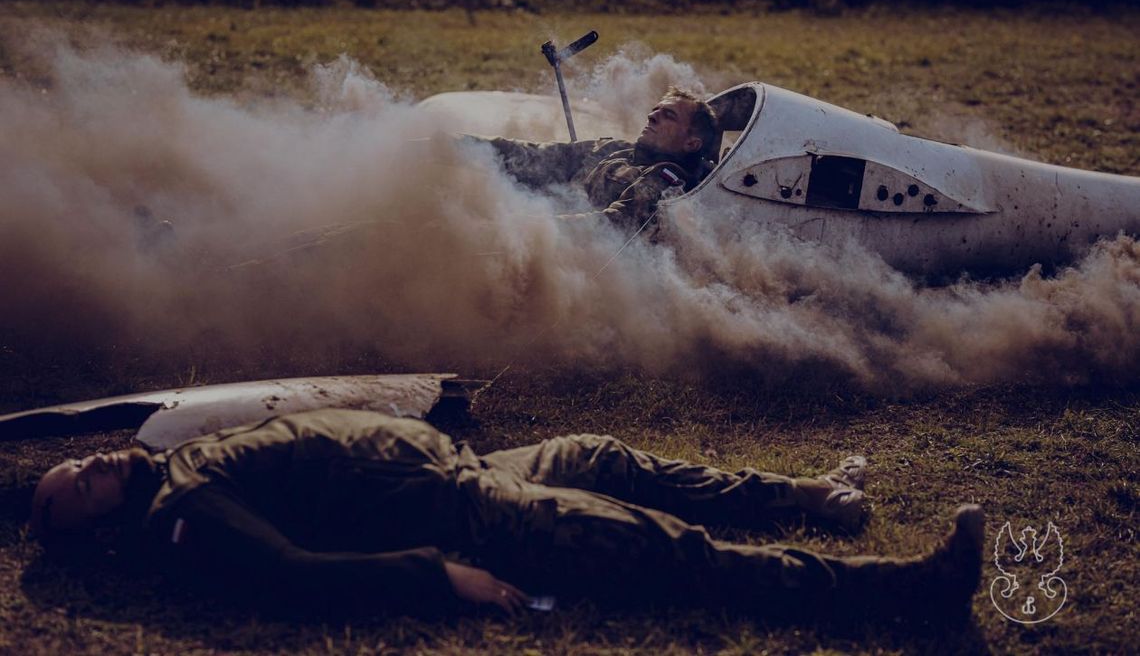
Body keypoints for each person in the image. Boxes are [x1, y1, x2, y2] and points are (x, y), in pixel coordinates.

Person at [29, 409, 982, 623]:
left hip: (464, 466)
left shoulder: (168, 462)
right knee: (659, 550)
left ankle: (811, 499)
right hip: (467, 516)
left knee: (604, 455)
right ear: (103, 525)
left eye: (76, 462)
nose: (92, 463)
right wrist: (436, 576)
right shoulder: (189, 511)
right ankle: (909, 591)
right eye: (81, 486)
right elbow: (292, 576)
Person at [477, 87, 721, 233]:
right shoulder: (614, 149)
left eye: (668, 115)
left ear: (691, 143)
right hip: (531, 221)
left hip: (559, 257)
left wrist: (525, 226)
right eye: (655, 110)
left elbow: (611, 226)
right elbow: (536, 157)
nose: (651, 116)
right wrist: (456, 146)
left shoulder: (668, 181)